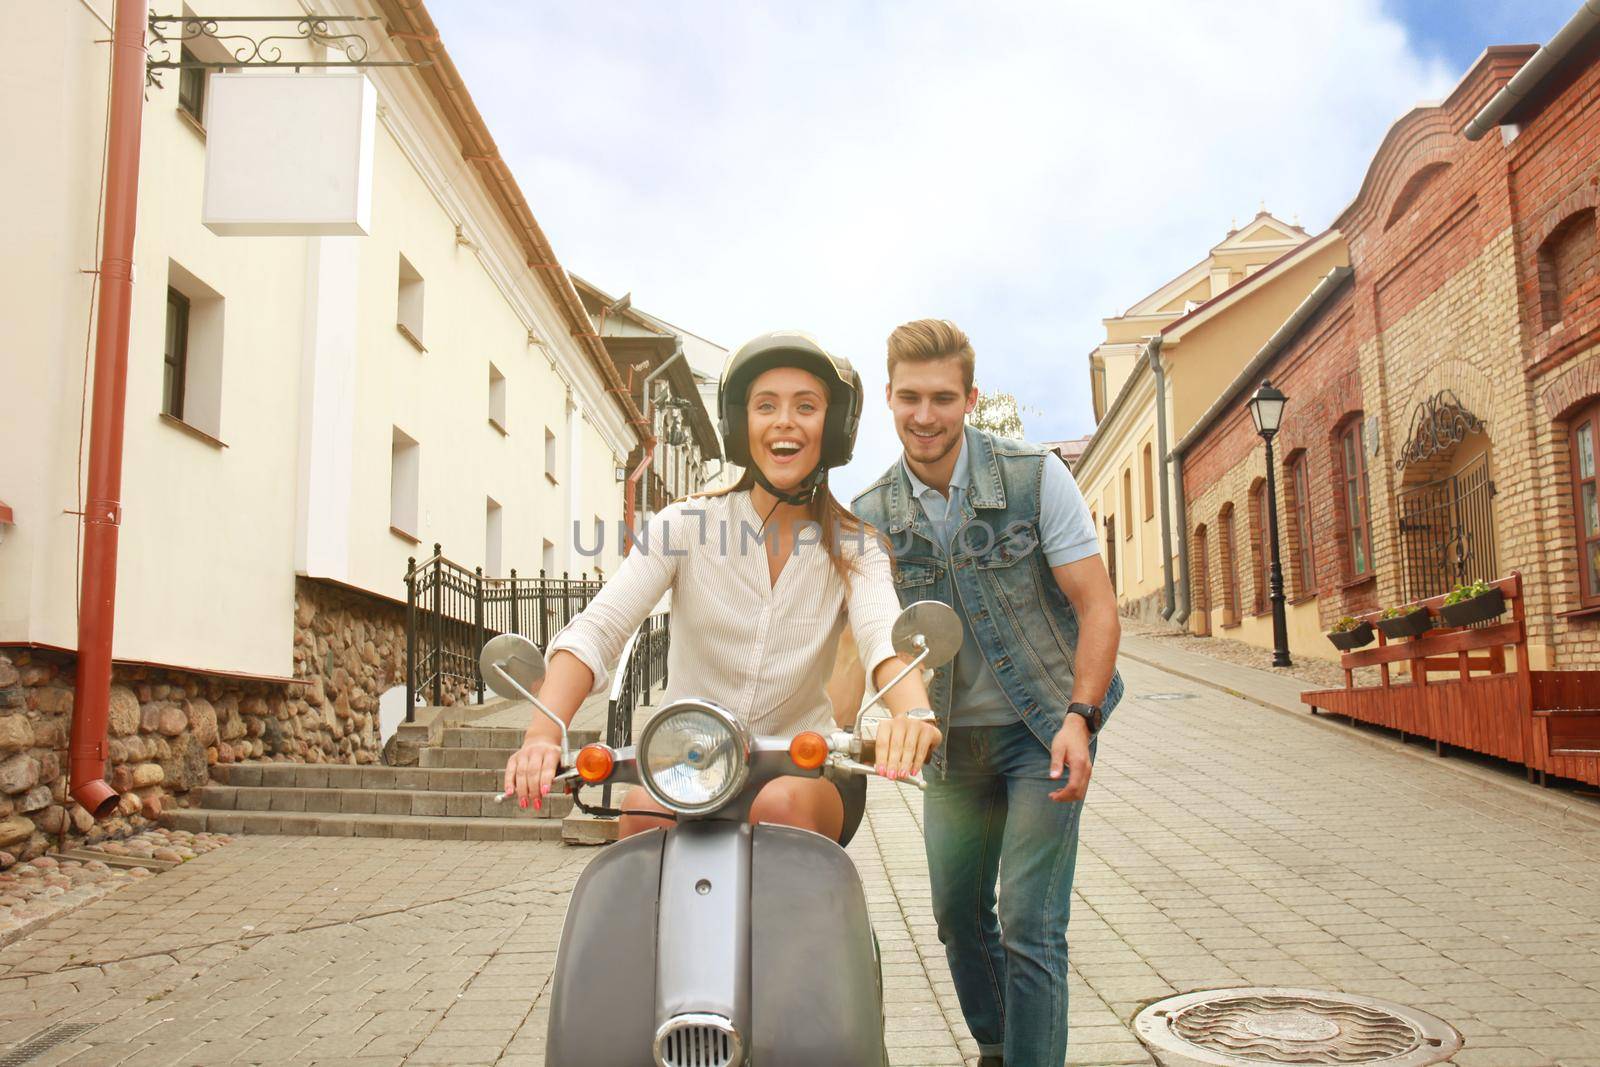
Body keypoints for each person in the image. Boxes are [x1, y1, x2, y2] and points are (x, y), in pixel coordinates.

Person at [502, 331, 942, 843]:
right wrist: (543, 731)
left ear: (834, 428)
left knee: (779, 807)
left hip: (801, 770)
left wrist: (912, 715)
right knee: (642, 813)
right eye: (765, 405)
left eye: (806, 406)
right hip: (689, 764)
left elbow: (883, 637)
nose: (784, 420)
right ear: (741, 424)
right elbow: (600, 627)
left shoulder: (857, 546)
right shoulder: (683, 525)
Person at [850, 319, 1124, 1067]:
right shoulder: (869, 516)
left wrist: (1081, 716)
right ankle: (1002, 1049)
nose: (926, 415)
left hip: (1044, 726)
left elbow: (1097, 606)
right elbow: (862, 644)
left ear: (970, 398)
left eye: (943, 397)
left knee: (1029, 923)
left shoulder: (1035, 478)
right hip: (953, 746)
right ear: (889, 398)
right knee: (957, 917)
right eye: (910, 397)